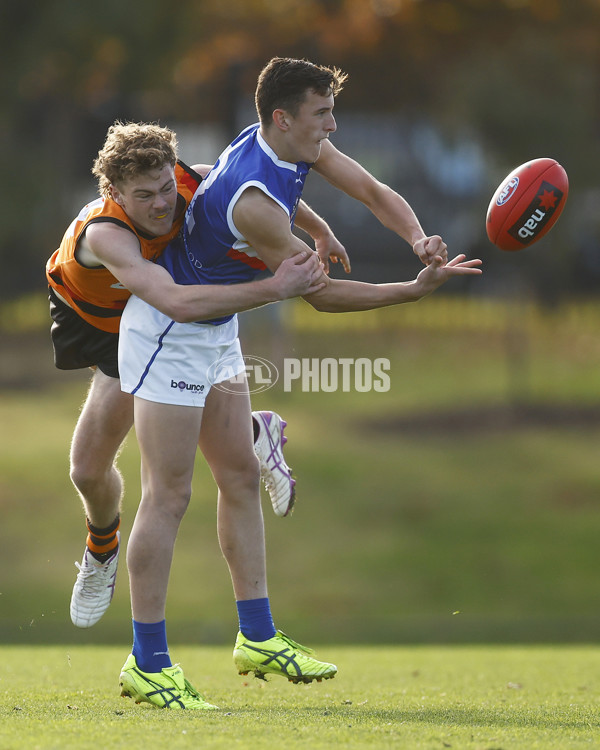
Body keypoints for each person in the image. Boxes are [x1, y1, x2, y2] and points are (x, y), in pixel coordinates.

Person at [115, 57, 483, 710]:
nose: (331, 125)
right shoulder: (256, 206)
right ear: (283, 119)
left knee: (240, 478)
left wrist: (419, 238)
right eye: (321, 115)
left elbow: (371, 190)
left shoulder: (280, 143)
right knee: (168, 497)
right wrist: (409, 291)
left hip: (219, 326)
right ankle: (148, 661)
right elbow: (322, 296)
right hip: (172, 331)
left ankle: (256, 636)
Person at [46, 121, 341, 631]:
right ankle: (102, 547)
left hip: (152, 321)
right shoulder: (106, 233)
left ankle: (248, 435)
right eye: (145, 196)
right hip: (98, 318)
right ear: (115, 192)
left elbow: (260, 197)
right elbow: (176, 300)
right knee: (86, 472)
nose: (162, 204)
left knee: (171, 452)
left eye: (165, 187)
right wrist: (277, 287)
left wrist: (315, 229)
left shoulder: (192, 181)